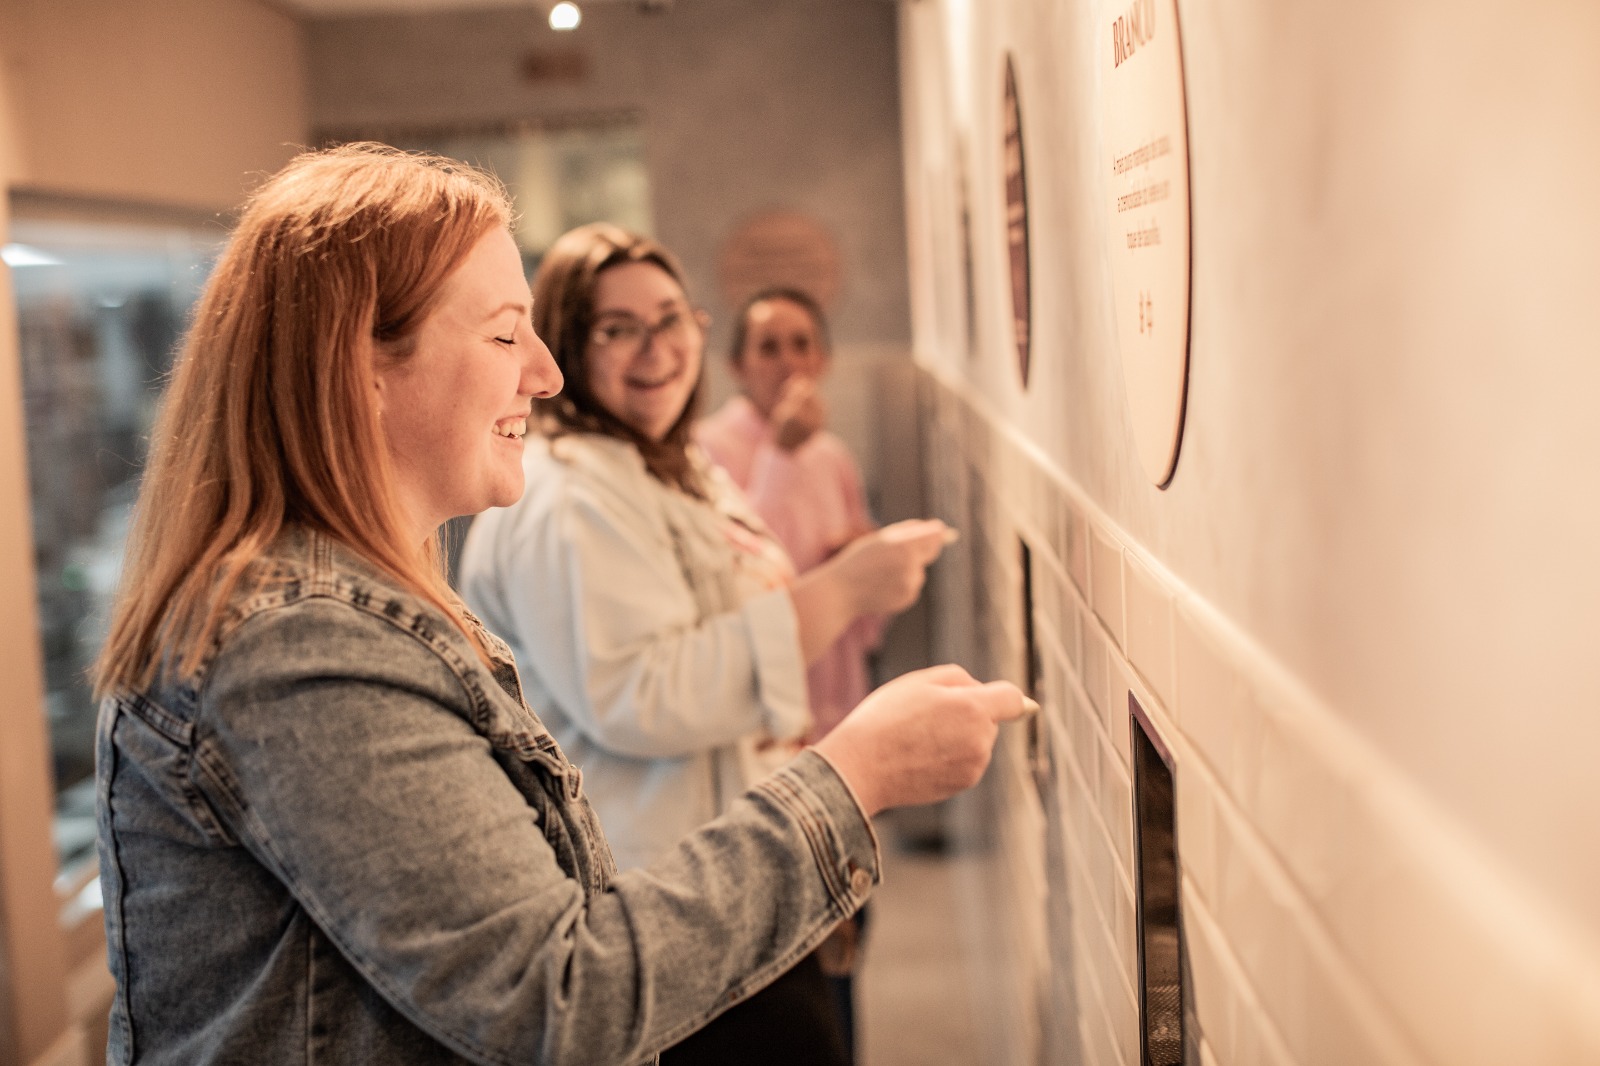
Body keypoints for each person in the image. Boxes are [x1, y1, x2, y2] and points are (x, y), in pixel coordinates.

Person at [91, 144, 1028, 1066]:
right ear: (360, 365)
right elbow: (555, 1001)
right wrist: (853, 778)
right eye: (505, 333)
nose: (545, 373)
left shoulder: (351, 608)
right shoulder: (301, 649)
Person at [455, 224, 956, 1065]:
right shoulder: (569, 495)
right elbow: (642, 695)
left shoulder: (669, 462)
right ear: (569, 343)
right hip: (661, 902)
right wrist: (842, 593)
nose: (656, 350)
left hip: (733, 879)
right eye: (619, 328)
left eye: (671, 319)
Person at [697, 287, 886, 1058]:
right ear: (738, 363)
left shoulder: (833, 453)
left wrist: (861, 568)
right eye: (769, 347)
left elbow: (863, 617)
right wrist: (778, 452)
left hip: (836, 717)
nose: (788, 362)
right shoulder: (711, 451)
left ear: (825, 357)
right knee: (794, 946)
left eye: (802, 344)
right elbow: (744, 584)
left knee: (850, 925)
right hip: (765, 734)